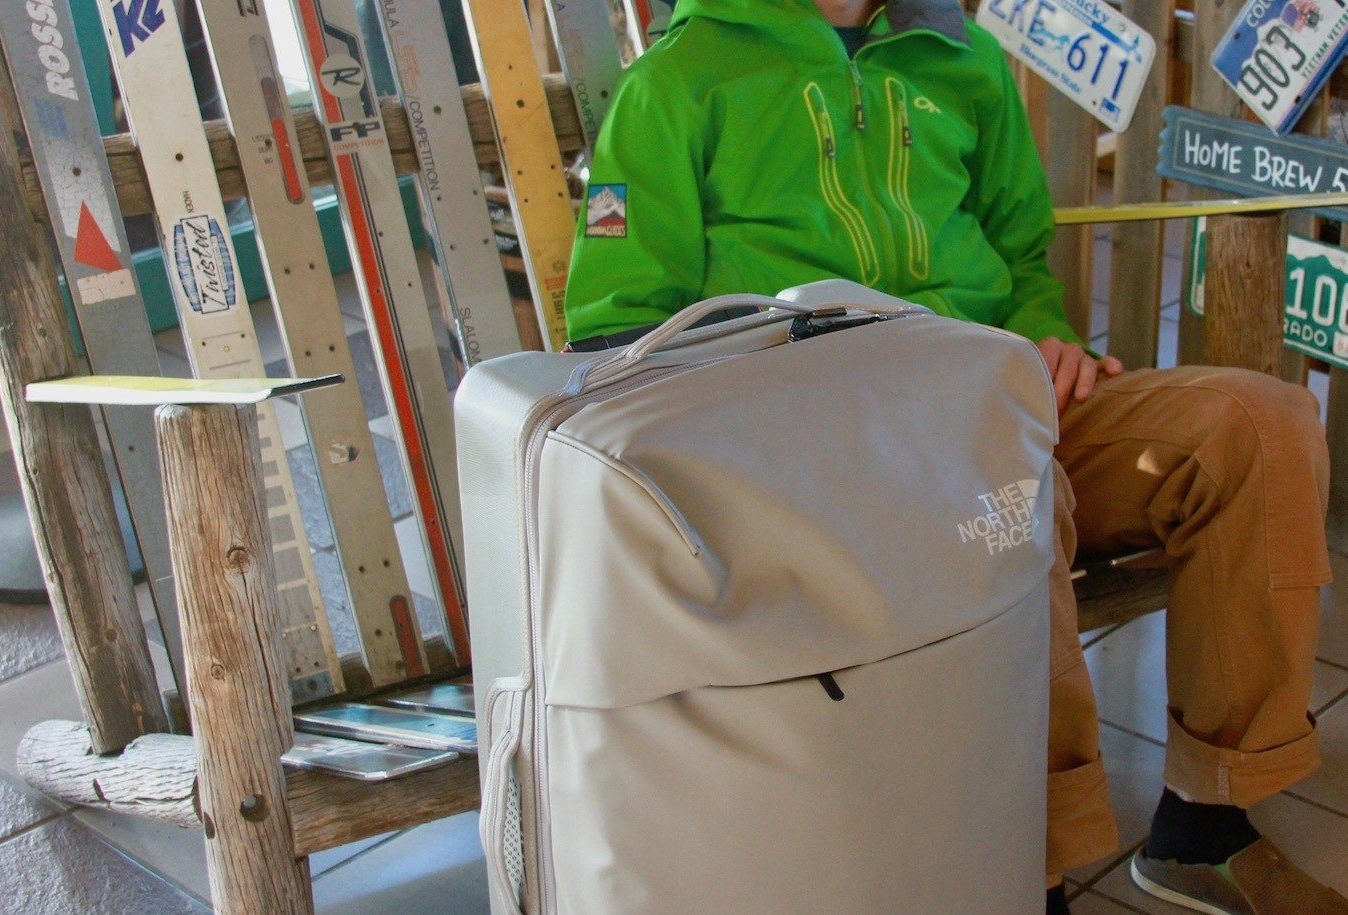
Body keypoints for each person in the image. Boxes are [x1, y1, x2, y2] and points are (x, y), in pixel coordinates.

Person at [562, 1, 1347, 912]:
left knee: (1257, 425)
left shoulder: (959, 57)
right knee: (1014, 495)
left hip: (994, 392)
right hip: (820, 452)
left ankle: (1204, 826)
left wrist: (1049, 336)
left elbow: (1019, 255)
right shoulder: (676, 82)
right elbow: (619, 323)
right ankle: (1025, 867)